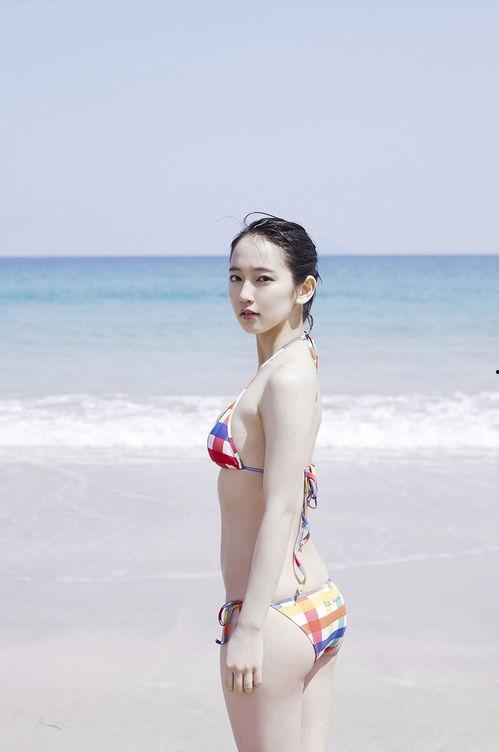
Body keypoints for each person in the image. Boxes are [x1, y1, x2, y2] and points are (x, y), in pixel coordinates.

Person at [206, 213, 347, 751]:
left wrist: (249, 630)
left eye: (264, 279)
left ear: (303, 288)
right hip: (314, 602)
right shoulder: (297, 357)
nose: (245, 294)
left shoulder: (285, 377)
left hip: (272, 616)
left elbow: (282, 506)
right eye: (236, 277)